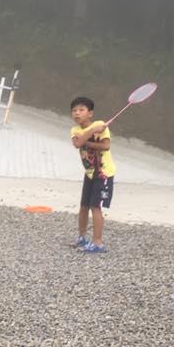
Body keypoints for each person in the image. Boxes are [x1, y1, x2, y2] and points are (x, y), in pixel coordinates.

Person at [69, 96, 114, 253]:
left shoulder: (101, 125)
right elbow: (77, 143)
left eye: (81, 110)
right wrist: (92, 131)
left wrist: (91, 134)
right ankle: (82, 238)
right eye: (74, 110)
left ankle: (97, 243)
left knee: (95, 207)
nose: (77, 113)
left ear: (90, 113)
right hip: (89, 173)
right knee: (83, 206)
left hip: (103, 173)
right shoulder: (75, 130)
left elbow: (106, 146)